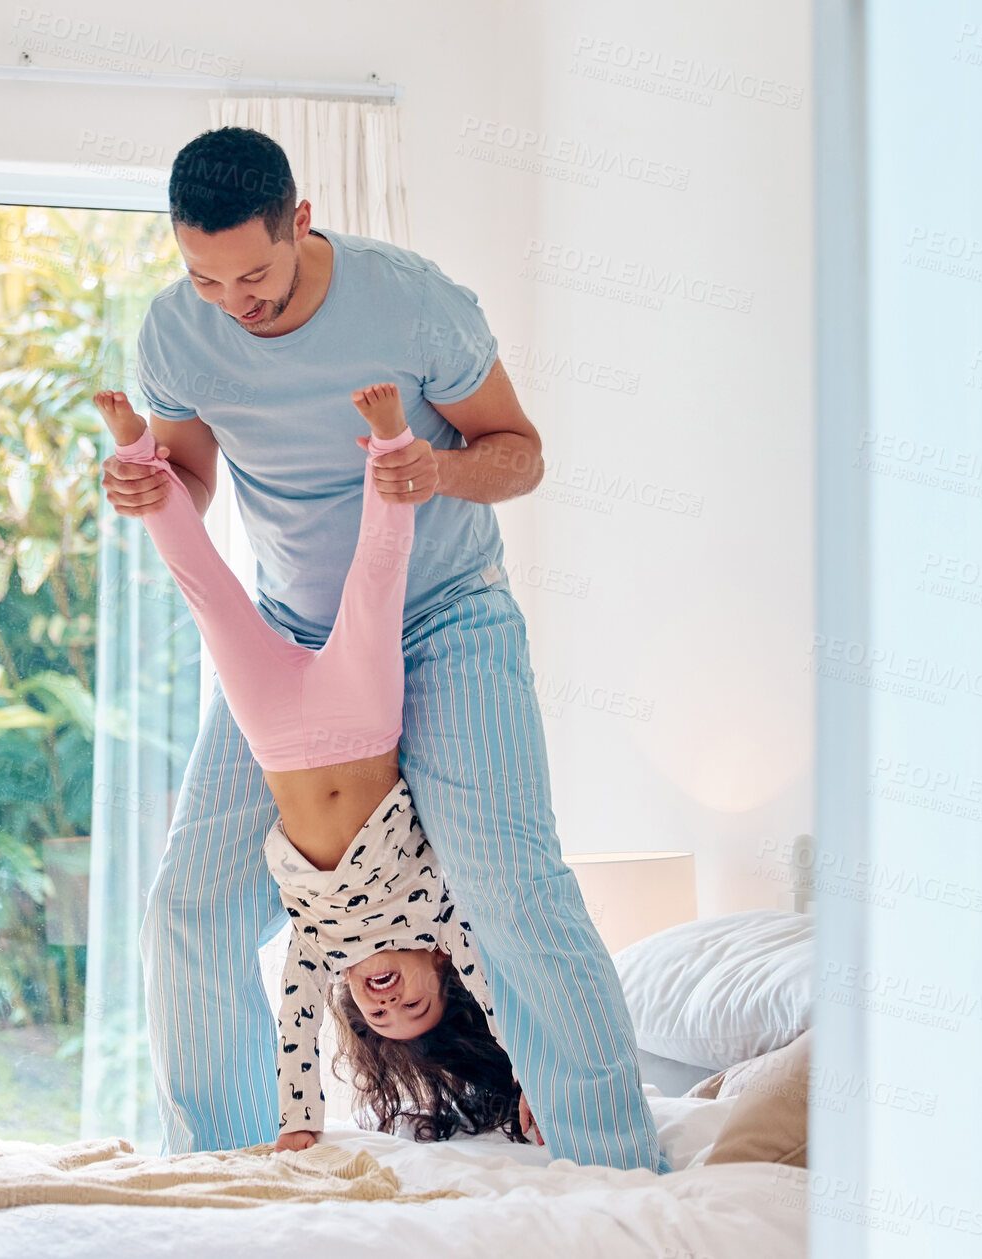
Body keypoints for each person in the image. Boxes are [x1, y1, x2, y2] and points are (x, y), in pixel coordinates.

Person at [101, 125, 667, 1172]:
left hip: (445, 614)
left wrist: (434, 477)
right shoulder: (176, 334)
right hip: (290, 640)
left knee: (511, 888)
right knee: (187, 906)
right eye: (205, 276)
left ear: (300, 220)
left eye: (253, 273)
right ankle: (227, 1176)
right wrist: (149, 485)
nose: (233, 299)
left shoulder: (412, 300)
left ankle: (618, 1172)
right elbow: (189, 476)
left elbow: (520, 453)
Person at [96, 381, 535, 1150]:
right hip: (361, 724)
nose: (388, 1004)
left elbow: (295, 1035)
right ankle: (391, 444)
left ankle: (137, 450)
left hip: (273, 736)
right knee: (376, 580)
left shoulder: (318, 947)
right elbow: (501, 1002)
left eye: (379, 1018)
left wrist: (299, 1130)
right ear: (440, 969)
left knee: (204, 588)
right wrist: (532, 1074)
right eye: (415, 1007)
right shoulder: (441, 918)